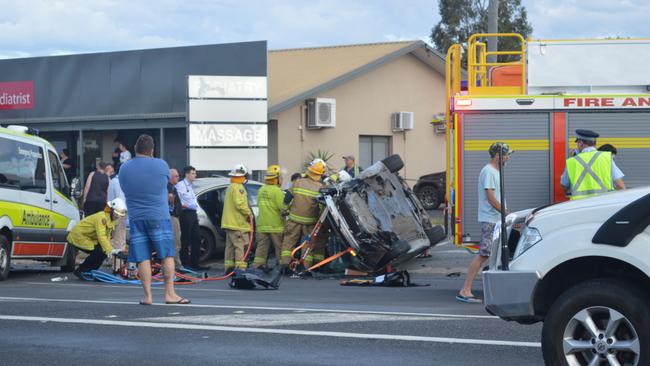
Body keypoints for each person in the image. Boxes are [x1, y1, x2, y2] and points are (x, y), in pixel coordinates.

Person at [119, 134, 189, 305]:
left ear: (135, 149)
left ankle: (148, 296)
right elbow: (166, 184)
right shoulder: (161, 165)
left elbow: (124, 188)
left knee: (143, 257)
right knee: (166, 255)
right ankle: (169, 294)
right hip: (159, 216)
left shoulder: (124, 168)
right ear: (152, 150)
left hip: (137, 218)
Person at [457, 142, 513, 304]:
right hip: (491, 220)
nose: (508, 158)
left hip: (496, 220)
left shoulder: (495, 171)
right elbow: (490, 198)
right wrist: (508, 215)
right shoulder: (488, 171)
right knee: (484, 254)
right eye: (506, 154)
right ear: (497, 155)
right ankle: (465, 290)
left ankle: (495, 290)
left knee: (497, 256)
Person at [280, 159, 327, 272]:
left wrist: (284, 209)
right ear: (319, 174)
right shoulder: (320, 187)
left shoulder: (298, 182)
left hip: (294, 221)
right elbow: (322, 206)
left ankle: (285, 265)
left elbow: (287, 197)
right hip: (310, 223)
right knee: (308, 245)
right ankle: (305, 267)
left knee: (288, 243)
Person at [68, 198, 126, 278]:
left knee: (103, 252)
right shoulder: (102, 218)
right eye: (116, 214)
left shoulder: (110, 220)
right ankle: (81, 270)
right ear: (111, 210)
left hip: (88, 238)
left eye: (119, 216)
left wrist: (110, 249)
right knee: (98, 251)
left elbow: (107, 236)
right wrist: (110, 250)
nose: (117, 217)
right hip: (78, 236)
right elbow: (101, 236)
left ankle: (91, 271)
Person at [560, 129, 625, 200]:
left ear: (580, 143)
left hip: (579, 206)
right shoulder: (606, 158)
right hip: (604, 204)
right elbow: (620, 186)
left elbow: (564, 186)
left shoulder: (572, 161)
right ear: (594, 143)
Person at [251, 165, 287, 270]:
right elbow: (283, 207)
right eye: (280, 177)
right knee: (279, 247)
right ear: (276, 179)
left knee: (261, 247)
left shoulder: (261, 189)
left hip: (262, 224)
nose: (281, 179)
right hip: (275, 225)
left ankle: (258, 265)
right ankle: (281, 266)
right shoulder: (277, 191)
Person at [221, 164, 253, 274]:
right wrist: (249, 213)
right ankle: (240, 270)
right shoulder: (239, 188)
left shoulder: (230, 187)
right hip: (237, 224)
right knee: (240, 247)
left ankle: (228, 269)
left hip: (229, 223)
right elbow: (240, 204)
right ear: (243, 176)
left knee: (229, 247)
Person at [176, 166, 207, 271]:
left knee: (197, 238)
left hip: (193, 213)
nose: (195, 175)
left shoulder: (191, 185)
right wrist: (185, 206)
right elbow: (179, 201)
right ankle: (185, 263)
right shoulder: (180, 185)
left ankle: (195, 263)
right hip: (185, 214)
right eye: (193, 173)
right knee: (186, 239)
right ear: (187, 174)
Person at [168, 168, 184, 270]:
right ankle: (177, 265)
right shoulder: (170, 187)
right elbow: (170, 197)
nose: (178, 178)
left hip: (172, 216)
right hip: (172, 217)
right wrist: (172, 204)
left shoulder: (172, 186)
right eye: (176, 176)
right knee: (176, 242)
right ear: (170, 177)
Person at [107, 169, 127, 250]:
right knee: (119, 238)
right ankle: (118, 261)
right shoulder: (119, 182)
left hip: (111, 210)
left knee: (113, 236)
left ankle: (112, 258)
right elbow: (120, 199)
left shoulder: (113, 181)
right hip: (119, 211)